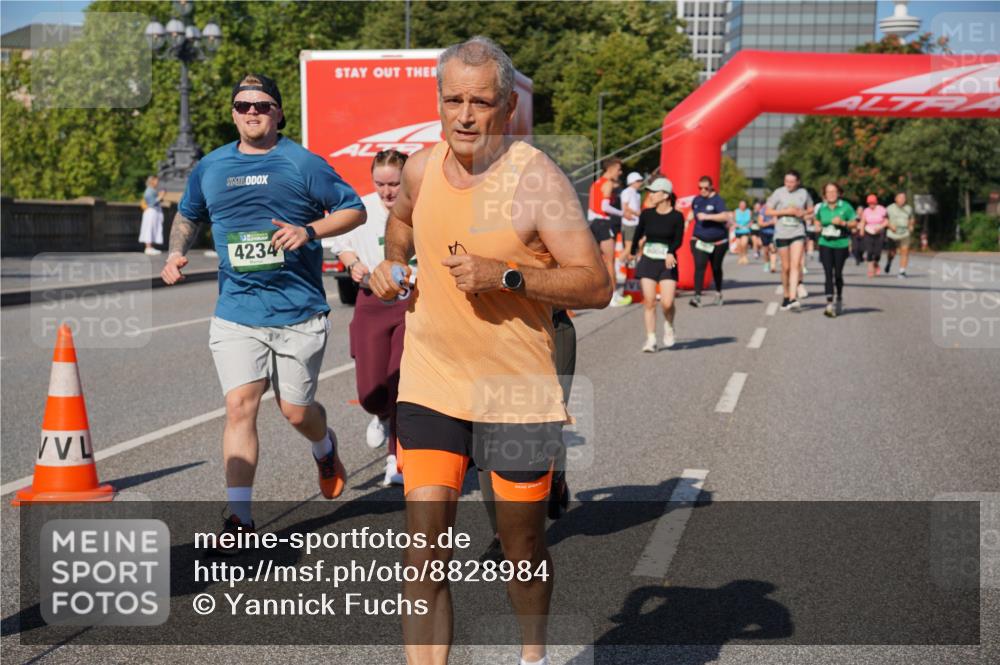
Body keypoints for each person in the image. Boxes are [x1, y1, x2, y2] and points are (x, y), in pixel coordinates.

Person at [369, 36, 611, 665]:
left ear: (507, 108)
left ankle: (533, 655)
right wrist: (392, 265)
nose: (466, 115)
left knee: (520, 543)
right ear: (440, 102)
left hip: (515, 387)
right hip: (430, 381)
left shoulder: (537, 180)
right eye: (454, 100)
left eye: (481, 101)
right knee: (423, 545)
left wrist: (505, 274)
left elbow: (596, 283)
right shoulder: (420, 169)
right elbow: (402, 222)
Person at [160, 73, 366, 546]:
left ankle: (324, 446)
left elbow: (354, 209)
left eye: (262, 104)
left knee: (296, 412)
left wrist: (309, 231)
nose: (252, 111)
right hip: (237, 312)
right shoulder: (210, 166)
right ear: (233, 112)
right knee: (239, 407)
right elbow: (189, 214)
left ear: (278, 112)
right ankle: (240, 518)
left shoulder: (302, 163)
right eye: (243, 104)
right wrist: (175, 252)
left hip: (298, 312)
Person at [330, 149, 409, 486]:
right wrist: (352, 262)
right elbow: (340, 242)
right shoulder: (361, 208)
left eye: (394, 184)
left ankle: (396, 461)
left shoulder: (421, 208)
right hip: (371, 301)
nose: (387, 192)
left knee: (400, 382)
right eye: (381, 184)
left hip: (412, 304)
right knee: (371, 391)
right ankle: (381, 415)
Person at [626, 178, 683, 352]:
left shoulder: (677, 216)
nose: (650, 195)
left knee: (667, 302)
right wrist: (633, 250)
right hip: (648, 260)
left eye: (654, 192)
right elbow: (638, 233)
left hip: (667, 262)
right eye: (649, 191)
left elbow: (678, 239)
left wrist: (671, 251)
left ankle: (669, 324)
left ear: (665, 195)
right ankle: (651, 339)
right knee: (649, 301)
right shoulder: (647, 214)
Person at [765, 170, 813, 311]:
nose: (789, 185)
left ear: (798, 182)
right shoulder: (778, 192)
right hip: (781, 233)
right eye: (787, 182)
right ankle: (786, 296)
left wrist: (803, 212)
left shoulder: (803, 193)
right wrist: (785, 212)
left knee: (796, 264)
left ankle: (793, 298)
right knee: (785, 267)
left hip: (797, 232)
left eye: (792, 182)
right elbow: (768, 211)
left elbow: (811, 208)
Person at [588, 157, 631, 306]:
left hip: (593, 223)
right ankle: (613, 297)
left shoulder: (595, 183)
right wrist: (622, 213)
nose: (620, 173)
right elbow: (605, 207)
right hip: (603, 223)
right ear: (611, 169)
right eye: (619, 170)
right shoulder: (607, 184)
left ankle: (596, 293)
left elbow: (592, 207)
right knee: (610, 261)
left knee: (598, 260)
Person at [813, 182, 856, 318]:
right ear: (824, 194)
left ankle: (839, 297)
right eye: (828, 192)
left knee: (837, 273)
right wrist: (817, 227)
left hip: (841, 243)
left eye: (834, 191)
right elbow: (817, 220)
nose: (831, 194)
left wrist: (843, 223)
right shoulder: (821, 207)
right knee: (827, 272)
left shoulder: (846, 207)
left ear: (839, 193)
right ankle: (829, 303)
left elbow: (854, 222)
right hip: (825, 242)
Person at [687, 175, 730, 307]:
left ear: (711, 187)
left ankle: (718, 292)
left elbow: (725, 216)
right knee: (700, 266)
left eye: (706, 188)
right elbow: (691, 213)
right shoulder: (697, 200)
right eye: (700, 188)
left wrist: (708, 216)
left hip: (718, 241)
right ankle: (697, 296)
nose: (703, 190)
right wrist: (685, 222)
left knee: (716, 268)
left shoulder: (718, 200)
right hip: (699, 239)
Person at [884, 192, 915, 278]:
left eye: (904, 198)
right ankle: (889, 262)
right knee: (892, 252)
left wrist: (911, 225)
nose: (902, 199)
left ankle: (902, 271)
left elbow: (911, 219)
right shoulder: (889, 208)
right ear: (895, 199)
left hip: (905, 233)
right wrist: (890, 226)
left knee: (904, 251)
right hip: (892, 233)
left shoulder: (909, 208)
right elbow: (884, 220)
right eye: (900, 198)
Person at [860, 194, 888, 277]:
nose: (871, 205)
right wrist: (861, 230)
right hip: (868, 232)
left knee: (877, 253)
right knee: (869, 251)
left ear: (876, 202)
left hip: (879, 233)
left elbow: (886, 221)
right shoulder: (866, 211)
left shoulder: (882, 209)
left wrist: (881, 226)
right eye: (869, 203)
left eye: (873, 203)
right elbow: (863, 221)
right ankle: (870, 270)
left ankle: (876, 264)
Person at [620, 171, 644, 260]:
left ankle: (626, 268)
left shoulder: (637, 194)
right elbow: (625, 207)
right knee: (629, 247)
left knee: (635, 247)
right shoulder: (627, 192)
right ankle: (618, 265)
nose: (640, 182)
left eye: (641, 180)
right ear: (632, 181)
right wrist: (637, 213)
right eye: (638, 181)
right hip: (629, 223)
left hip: (635, 223)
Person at [139, 175, 165, 255]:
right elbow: (151, 203)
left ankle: (150, 247)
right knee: (149, 229)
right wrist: (160, 197)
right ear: (152, 181)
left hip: (153, 212)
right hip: (151, 212)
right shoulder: (149, 191)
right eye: (156, 180)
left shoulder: (152, 190)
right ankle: (148, 247)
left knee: (152, 229)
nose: (157, 182)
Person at [733, 199, 752, 264]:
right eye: (741, 204)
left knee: (744, 244)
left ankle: (744, 256)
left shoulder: (748, 211)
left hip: (745, 230)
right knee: (739, 245)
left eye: (744, 205)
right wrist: (735, 224)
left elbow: (750, 221)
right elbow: (733, 220)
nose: (742, 206)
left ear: (745, 205)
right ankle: (740, 257)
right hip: (738, 230)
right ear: (739, 205)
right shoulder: (736, 211)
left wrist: (749, 225)